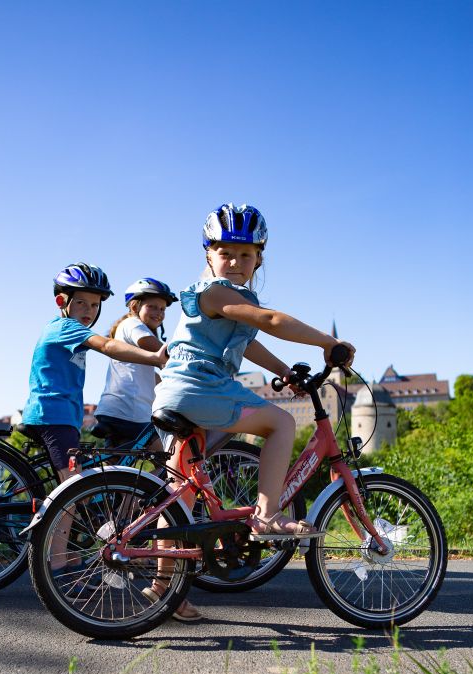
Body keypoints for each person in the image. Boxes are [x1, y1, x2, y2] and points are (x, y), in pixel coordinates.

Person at [150, 203, 355, 607]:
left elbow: (247, 342)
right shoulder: (213, 291)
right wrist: (328, 343)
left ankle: (162, 589)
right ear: (208, 254)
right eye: (225, 252)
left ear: (259, 258)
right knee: (281, 424)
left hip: (177, 391)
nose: (235, 261)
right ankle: (267, 514)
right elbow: (270, 321)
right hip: (202, 387)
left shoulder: (225, 299)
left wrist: (284, 371)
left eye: (245, 254)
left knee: (180, 494)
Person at [21, 263, 167, 482]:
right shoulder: (65, 327)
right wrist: (155, 357)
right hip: (54, 415)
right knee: (74, 489)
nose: (89, 310)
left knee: (95, 484)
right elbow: (107, 346)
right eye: (81, 302)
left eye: (95, 305)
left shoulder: (69, 332)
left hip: (64, 416)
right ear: (61, 301)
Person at [94, 277, 177, 445]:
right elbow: (155, 347)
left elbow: (149, 376)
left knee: (117, 460)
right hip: (130, 410)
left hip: (116, 409)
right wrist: (185, 356)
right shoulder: (132, 324)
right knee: (168, 454)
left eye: (162, 309)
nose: (159, 313)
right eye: (152, 307)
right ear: (134, 307)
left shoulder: (128, 329)